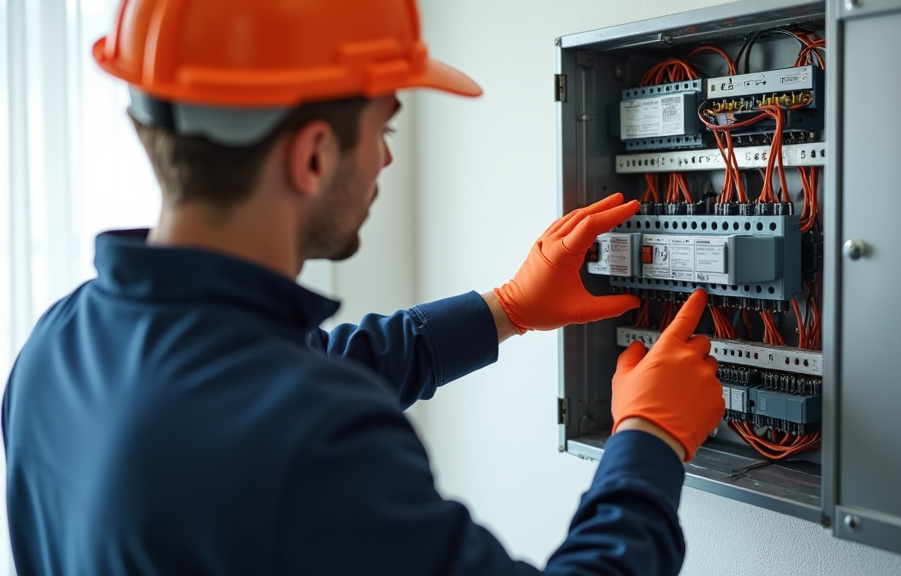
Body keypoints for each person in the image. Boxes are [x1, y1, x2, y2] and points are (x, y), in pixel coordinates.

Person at [2, 1, 724, 574]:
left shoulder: (58, 345)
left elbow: (276, 384)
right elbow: (288, 414)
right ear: (314, 154)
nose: (382, 158)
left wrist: (506, 309)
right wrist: (650, 438)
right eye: (385, 129)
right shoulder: (313, 443)